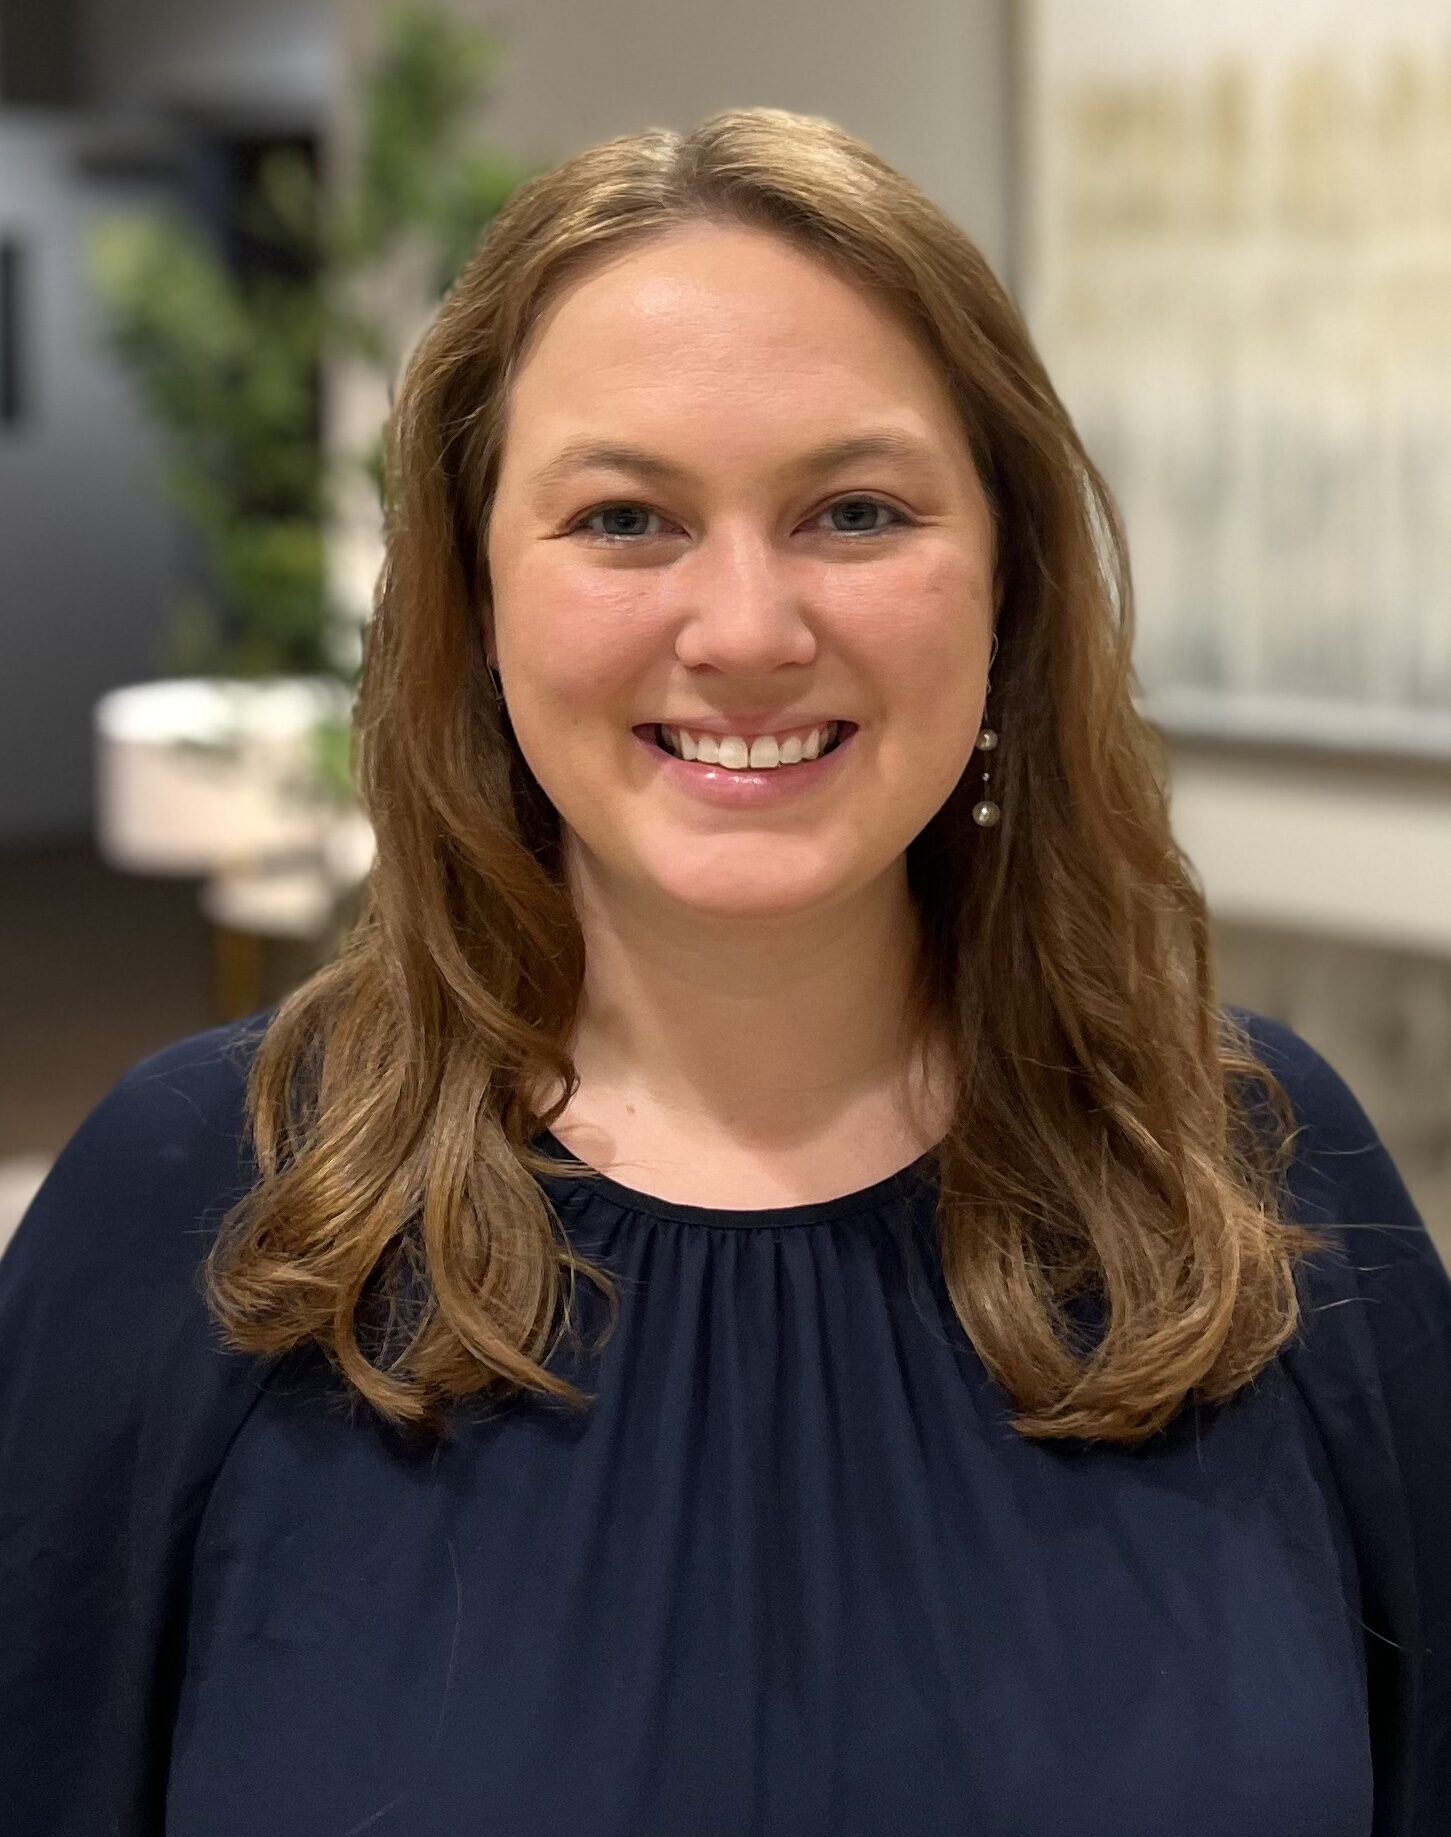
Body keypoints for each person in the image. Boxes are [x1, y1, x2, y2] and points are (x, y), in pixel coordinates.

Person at [1, 106, 1447, 1837]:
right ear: (475, 597)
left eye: (854, 508)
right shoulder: (201, 1203)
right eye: (625, 518)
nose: (747, 630)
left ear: (1011, 582)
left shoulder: (1265, 1169)